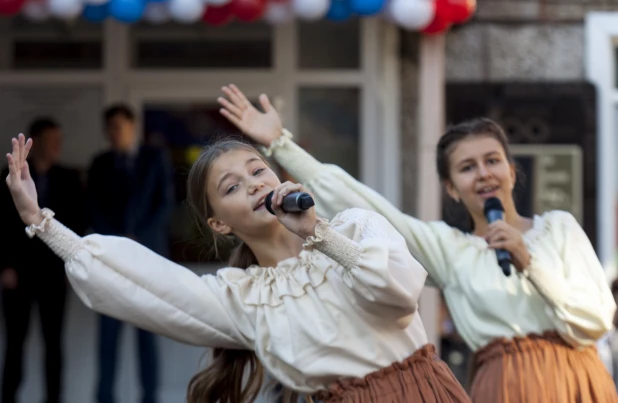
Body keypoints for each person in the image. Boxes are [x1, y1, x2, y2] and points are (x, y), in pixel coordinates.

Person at [217, 84, 618, 402]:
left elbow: (597, 318)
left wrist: (529, 261)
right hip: (503, 385)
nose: (483, 174)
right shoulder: (447, 248)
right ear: (452, 188)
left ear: (512, 171)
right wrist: (281, 145)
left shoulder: (558, 228)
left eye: (493, 160)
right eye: (467, 167)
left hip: (577, 377)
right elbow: (367, 205)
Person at [4, 133, 471, 403]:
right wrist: (41, 223)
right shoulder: (241, 297)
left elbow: (398, 292)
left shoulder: (353, 226)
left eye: (258, 171)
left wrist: (317, 234)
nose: (252, 185)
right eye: (231, 187)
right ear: (218, 223)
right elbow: (147, 285)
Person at [87, 104, 174, 403]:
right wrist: (115, 241)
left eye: (119, 126)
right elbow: (93, 208)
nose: (114, 133)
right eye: (110, 127)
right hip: (110, 265)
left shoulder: (155, 158)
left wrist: (136, 239)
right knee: (107, 341)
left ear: (132, 126)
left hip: (146, 262)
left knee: (147, 340)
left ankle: (150, 398)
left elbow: (165, 204)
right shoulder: (99, 163)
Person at [0, 118, 85, 403]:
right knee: (14, 343)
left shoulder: (69, 178)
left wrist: (69, 266)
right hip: (18, 273)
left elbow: (76, 223)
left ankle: (54, 399)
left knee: (53, 344)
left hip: (53, 273)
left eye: (59, 139)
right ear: (35, 142)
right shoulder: (9, 178)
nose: (57, 146)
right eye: (51, 140)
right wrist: (5, 266)